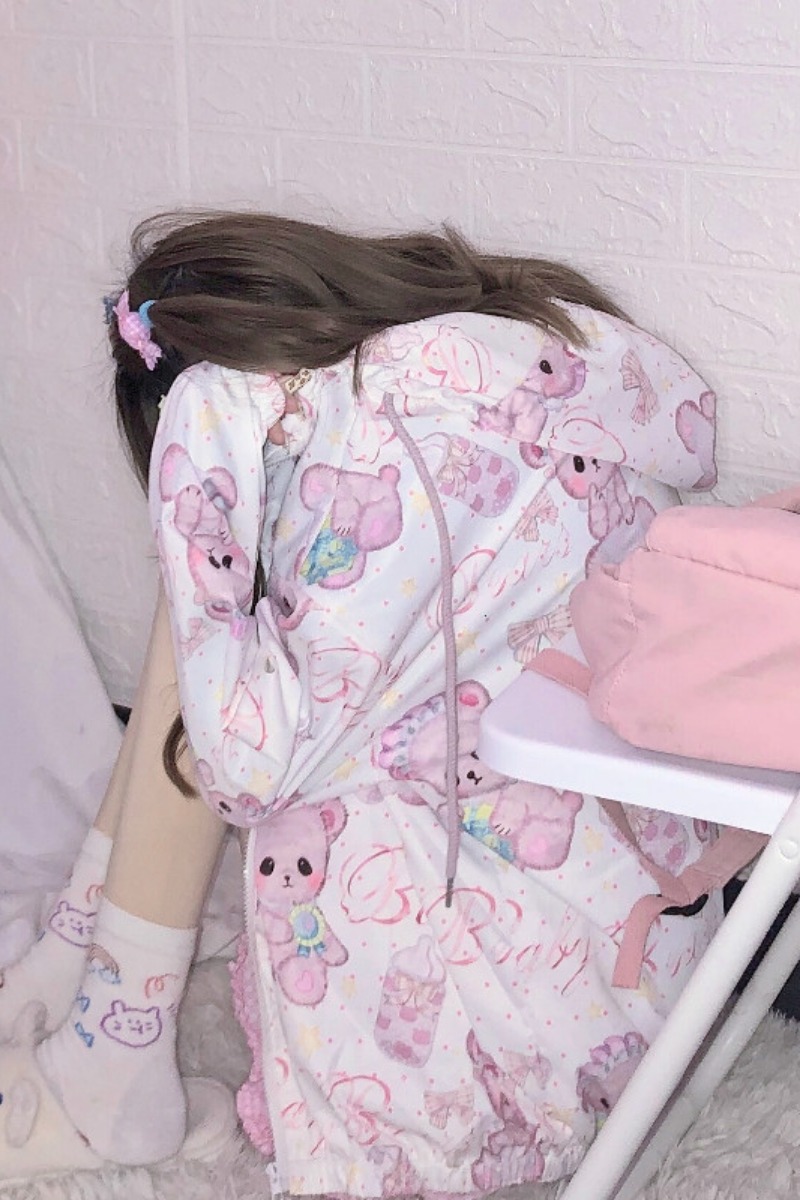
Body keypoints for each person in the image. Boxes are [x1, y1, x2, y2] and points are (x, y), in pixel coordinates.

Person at [0, 212, 723, 1192]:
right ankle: (83, 958)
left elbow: (242, 770)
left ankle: (111, 1050)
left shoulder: (367, 454)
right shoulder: (510, 341)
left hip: (537, 1025)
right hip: (647, 925)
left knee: (240, 693)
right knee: (218, 620)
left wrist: (201, 470)